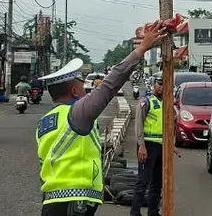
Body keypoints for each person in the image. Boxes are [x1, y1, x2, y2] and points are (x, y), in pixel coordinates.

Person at [36, 21, 171, 216]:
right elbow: (110, 84)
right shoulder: (77, 113)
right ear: (74, 91)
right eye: (82, 85)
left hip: (53, 201)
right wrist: (141, 49)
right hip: (74, 202)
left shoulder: (46, 121)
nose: (87, 89)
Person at [131, 75, 164, 216]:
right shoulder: (146, 101)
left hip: (161, 146)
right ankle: (135, 213)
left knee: (157, 182)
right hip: (147, 146)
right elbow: (138, 125)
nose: (162, 87)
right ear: (153, 84)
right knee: (143, 181)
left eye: (164, 85)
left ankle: (153, 212)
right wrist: (141, 145)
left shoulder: (165, 102)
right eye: (159, 84)